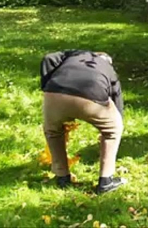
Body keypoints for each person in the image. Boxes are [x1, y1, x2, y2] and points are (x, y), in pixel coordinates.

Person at [40, 50, 126, 194]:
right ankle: (106, 181)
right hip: (91, 94)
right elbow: (117, 99)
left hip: (54, 92)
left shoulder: (75, 54)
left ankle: (62, 178)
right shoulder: (108, 68)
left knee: (53, 132)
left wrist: (46, 86)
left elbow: (48, 58)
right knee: (113, 131)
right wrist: (116, 121)